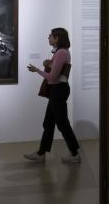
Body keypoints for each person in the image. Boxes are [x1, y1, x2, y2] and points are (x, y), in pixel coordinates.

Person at [24, 27, 81, 163]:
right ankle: (41, 153)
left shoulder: (61, 53)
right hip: (57, 90)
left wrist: (37, 70)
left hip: (58, 91)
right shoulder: (61, 52)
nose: (48, 38)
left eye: (50, 36)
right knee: (49, 123)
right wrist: (49, 63)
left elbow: (53, 77)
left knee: (62, 124)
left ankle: (75, 154)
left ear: (57, 38)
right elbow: (56, 70)